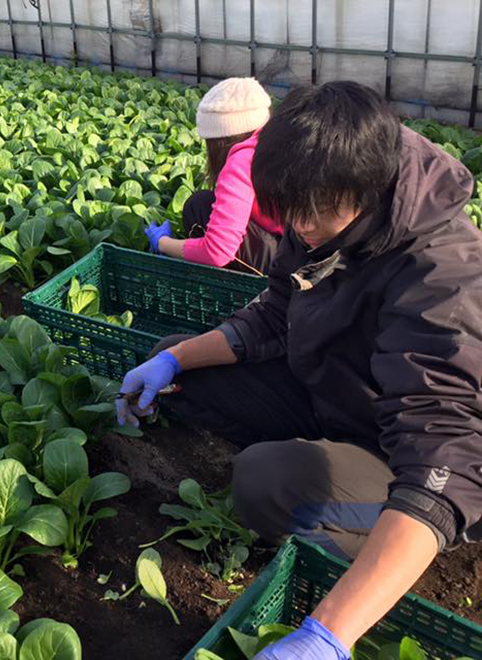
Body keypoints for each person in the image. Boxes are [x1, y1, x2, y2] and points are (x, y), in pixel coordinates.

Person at [118, 81, 482, 659]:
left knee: (264, 481)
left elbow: (442, 455)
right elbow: (274, 314)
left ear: (363, 189)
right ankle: (324, 476)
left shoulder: (443, 277)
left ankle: (385, 554)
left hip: (406, 453)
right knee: (185, 368)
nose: (299, 227)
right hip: (336, 392)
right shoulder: (323, 206)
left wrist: (328, 634)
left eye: (312, 215)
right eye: (291, 213)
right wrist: (172, 360)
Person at [144, 77, 283, 274]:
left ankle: (232, 282)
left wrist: (163, 242)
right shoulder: (276, 141)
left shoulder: (242, 160)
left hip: (284, 264)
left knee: (197, 208)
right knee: (202, 202)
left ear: (218, 139)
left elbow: (216, 252)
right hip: (308, 254)